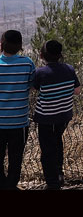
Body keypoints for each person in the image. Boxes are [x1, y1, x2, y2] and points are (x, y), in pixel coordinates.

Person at [33, 40, 81, 190]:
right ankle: (59, 174)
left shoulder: (40, 72)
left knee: (47, 150)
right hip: (64, 115)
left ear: (41, 55)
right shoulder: (69, 69)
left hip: (46, 117)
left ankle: (52, 183)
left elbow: (34, 88)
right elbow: (77, 90)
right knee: (57, 143)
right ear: (60, 55)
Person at [0, 30, 35, 190]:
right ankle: (11, 186)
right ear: (21, 46)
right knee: (16, 159)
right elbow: (33, 85)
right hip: (19, 123)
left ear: (1, 44)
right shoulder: (27, 63)